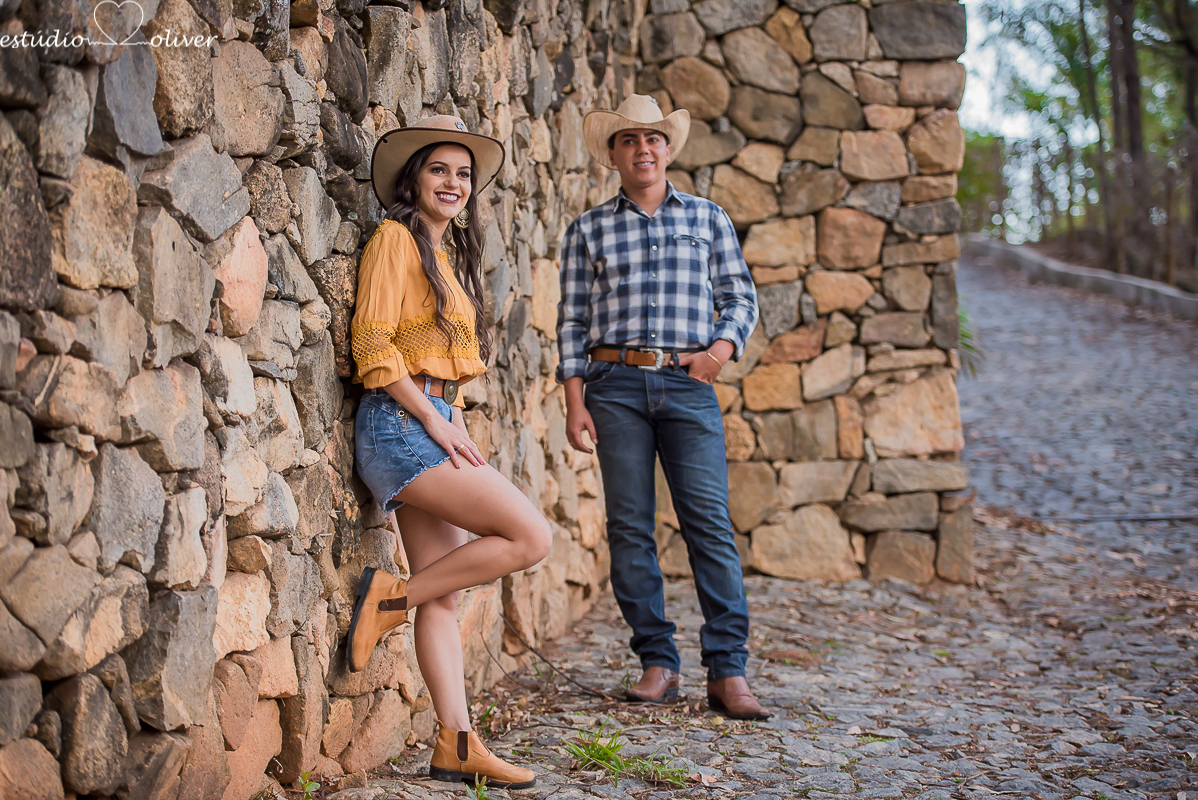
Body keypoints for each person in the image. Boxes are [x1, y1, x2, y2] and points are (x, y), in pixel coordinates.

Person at [346, 115, 553, 789]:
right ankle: (389, 598)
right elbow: (373, 347)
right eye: (439, 169)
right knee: (531, 536)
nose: (453, 183)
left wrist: (449, 420)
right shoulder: (394, 239)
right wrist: (435, 423)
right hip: (402, 421)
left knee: (445, 596)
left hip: (433, 419)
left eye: (463, 174)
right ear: (414, 178)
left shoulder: (447, 258)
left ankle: (455, 743)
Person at [556, 95, 769, 721]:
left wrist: (720, 351)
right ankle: (658, 662)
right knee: (629, 527)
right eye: (629, 141)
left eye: (653, 139)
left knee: (708, 522)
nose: (642, 149)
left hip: (688, 386)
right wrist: (575, 402)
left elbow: (739, 296)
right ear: (614, 155)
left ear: (667, 149)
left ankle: (728, 671)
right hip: (614, 387)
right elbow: (570, 321)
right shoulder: (588, 230)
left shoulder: (708, 219)